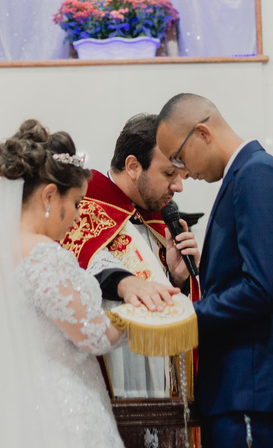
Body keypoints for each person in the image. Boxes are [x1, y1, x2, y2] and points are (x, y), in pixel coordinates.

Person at [0, 119, 126, 447]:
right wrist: (135, 317)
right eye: (76, 202)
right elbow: (94, 335)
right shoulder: (42, 254)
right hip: (57, 409)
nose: (79, 215)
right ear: (50, 195)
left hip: (12, 407)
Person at [155, 94, 273, 448]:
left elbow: (262, 287)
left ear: (202, 133)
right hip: (243, 388)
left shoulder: (257, 176)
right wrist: (187, 281)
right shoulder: (246, 175)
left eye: (179, 157)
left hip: (252, 387)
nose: (183, 173)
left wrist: (187, 316)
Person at [60, 113, 196, 398]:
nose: (178, 186)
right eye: (168, 174)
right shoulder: (83, 204)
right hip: (110, 368)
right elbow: (81, 264)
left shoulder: (158, 217)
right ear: (133, 166)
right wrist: (124, 283)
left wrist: (177, 278)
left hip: (160, 379)